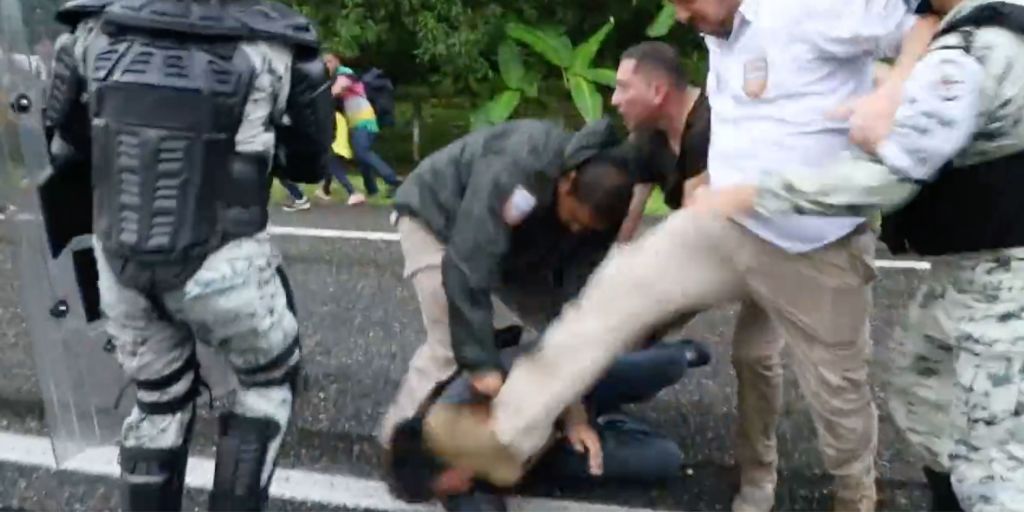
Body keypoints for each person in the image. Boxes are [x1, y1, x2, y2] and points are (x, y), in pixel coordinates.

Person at [412, 2, 940, 511]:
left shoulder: (815, 8)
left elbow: (931, 17)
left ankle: (856, 494)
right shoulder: (718, 32)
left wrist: (895, 87)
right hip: (724, 223)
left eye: (685, 2)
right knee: (615, 289)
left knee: (834, 394)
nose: (682, 17)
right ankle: (502, 433)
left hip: (813, 246)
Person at [691, 1, 1024, 510]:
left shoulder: (974, 51)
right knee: (921, 392)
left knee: (993, 462)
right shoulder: (981, 31)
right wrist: (897, 92)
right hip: (964, 266)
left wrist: (752, 195)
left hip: (1003, 275)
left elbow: (885, 177)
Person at [44, 0, 333, 510]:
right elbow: (311, 161)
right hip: (224, 260)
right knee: (268, 382)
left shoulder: (91, 34)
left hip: (121, 262)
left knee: (158, 399)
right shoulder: (273, 45)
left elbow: (65, 144)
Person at [375, 118, 635, 445]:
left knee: (558, 324)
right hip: (437, 218)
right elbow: (467, 264)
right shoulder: (519, 164)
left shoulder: (605, 205)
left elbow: (572, 297)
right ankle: (396, 445)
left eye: (585, 230)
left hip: (516, 241)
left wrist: (574, 409)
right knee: (450, 345)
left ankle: (557, 416)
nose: (576, 232)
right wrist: (481, 364)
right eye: (573, 219)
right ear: (567, 183)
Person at [387, 337, 711, 511]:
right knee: (666, 460)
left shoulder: (453, 406)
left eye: (444, 488)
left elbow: (538, 359)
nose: (454, 492)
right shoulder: (464, 490)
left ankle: (674, 352)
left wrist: (576, 418)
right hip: (554, 448)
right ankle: (613, 423)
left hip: (566, 386)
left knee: (665, 365)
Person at [611, 41, 711, 242]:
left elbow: (693, 230)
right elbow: (627, 220)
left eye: (623, 88)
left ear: (658, 91)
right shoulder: (648, 135)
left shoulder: (711, 126)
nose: (614, 100)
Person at [327, 54, 403, 198]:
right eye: (325, 63)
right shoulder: (335, 77)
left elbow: (335, 91)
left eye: (329, 61)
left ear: (337, 61)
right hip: (356, 122)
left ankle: (394, 180)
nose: (327, 65)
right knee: (361, 155)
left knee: (362, 152)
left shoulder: (345, 73)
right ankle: (372, 190)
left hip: (365, 120)